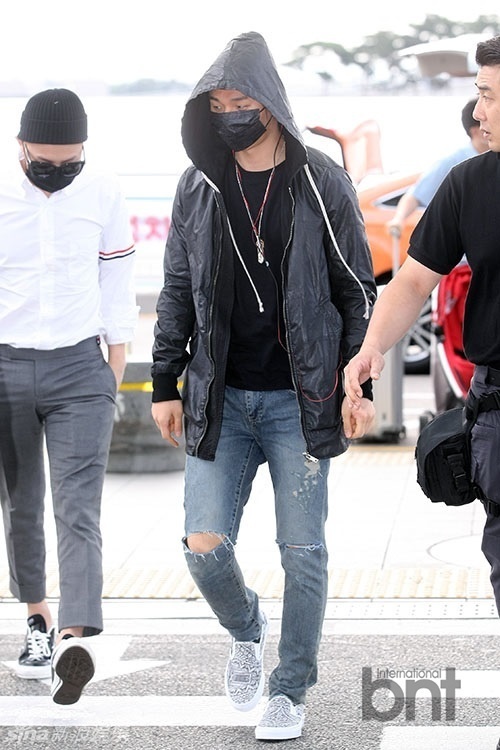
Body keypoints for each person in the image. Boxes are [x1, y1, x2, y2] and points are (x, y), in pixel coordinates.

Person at [151, 31, 377, 741]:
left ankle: (291, 689)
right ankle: (247, 629)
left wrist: (359, 383)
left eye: (240, 102)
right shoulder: (198, 185)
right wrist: (163, 382)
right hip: (220, 396)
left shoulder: (321, 181)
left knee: (302, 553)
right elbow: (177, 288)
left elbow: (356, 289)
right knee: (203, 545)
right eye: (217, 106)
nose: (229, 116)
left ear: (271, 104)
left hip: (299, 401)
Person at [344, 37, 500, 741]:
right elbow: (411, 281)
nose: (478, 110)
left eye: (488, 94)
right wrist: (370, 349)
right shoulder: (470, 183)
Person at [0, 89, 138, 704]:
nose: (57, 173)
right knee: (21, 503)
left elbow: (117, 276)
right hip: (5, 362)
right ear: (20, 147)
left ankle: (73, 639)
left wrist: (114, 365)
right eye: (44, 163)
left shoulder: (102, 190)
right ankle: (37, 618)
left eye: (70, 164)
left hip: (80, 368)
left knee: (78, 508)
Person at [386, 96, 488, 237]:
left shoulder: (494, 157)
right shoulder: (454, 162)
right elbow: (415, 195)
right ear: (476, 131)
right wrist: (398, 220)